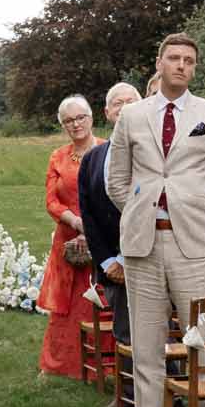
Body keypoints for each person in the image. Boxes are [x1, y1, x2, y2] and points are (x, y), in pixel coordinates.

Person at [107, 33, 205, 407]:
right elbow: (116, 180)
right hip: (143, 245)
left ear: (194, 68)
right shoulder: (132, 116)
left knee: (203, 345)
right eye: (174, 58)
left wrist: (200, 211)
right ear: (160, 63)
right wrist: (138, 209)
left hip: (196, 248)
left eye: (189, 60)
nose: (181, 66)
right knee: (147, 346)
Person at [37, 95, 102, 380]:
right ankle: (58, 364)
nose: (75, 124)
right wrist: (75, 221)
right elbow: (51, 201)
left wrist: (94, 225)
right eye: (68, 121)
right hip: (68, 239)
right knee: (64, 305)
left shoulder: (107, 150)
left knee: (99, 300)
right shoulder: (58, 157)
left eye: (80, 118)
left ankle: (103, 366)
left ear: (91, 118)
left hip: (101, 236)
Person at [76, 83, 137, 346]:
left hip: (148, 260)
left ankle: (168, 386)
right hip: (111, 267)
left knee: (159, 335)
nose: (124, 108)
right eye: (117, 103)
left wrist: (126, 258)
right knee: (124, 335)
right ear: (107, 112)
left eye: (131, 101)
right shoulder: (92, 159)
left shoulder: (157, 155)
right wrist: (108, 261)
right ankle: (128, 389)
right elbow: (89, 216)